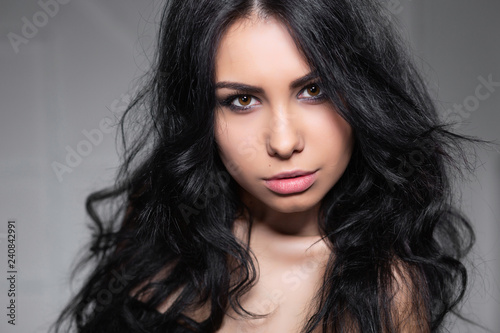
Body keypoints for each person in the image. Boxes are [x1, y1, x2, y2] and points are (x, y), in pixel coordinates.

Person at [53, 0, 477, 332]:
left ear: (360, 93)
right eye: (242, 100)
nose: (283, 142)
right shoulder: (160, 222)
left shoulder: (381, 289)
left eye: (314, 90)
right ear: (201, 114)